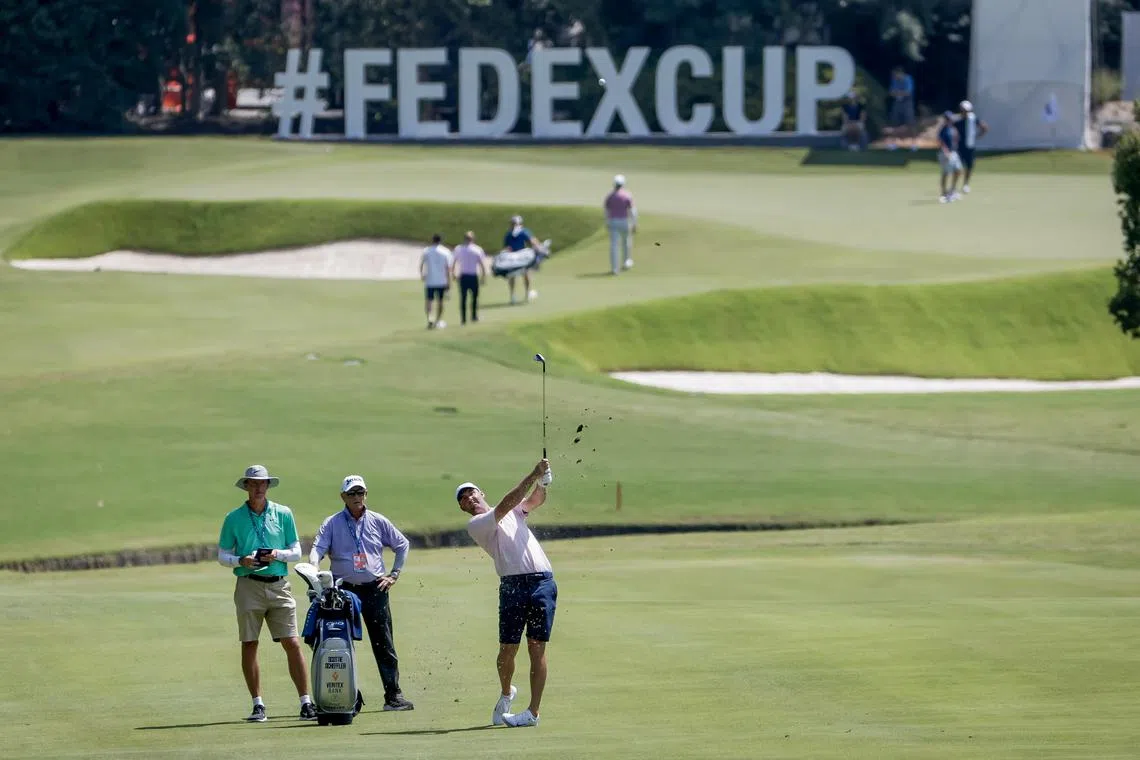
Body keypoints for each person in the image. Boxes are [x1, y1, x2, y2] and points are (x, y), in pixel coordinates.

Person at [455, 457, 556, 728]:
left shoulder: (514, 512)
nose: (469, 499)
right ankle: (506, 692)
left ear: (481, 493)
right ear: (464, 508)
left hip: (542, 582)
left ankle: (532, 713)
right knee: (507, 651)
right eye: (463, 499)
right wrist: (533, 474)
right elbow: (508, 502)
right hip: (512, 586)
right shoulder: (478, 525)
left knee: (537, 647)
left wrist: (544, 482)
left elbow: (533, 501)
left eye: (471, 493)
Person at [217, 464, 316, 722]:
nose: (259, 487)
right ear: (246, 486)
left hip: (279, 584)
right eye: (254, 483)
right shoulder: (233, 518)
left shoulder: (283, 514)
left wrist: (277, 554)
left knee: (292, 642)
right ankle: (258, 704)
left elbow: (295, 551)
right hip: (248, 584)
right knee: (249, 643)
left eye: (263, 483)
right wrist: (241, 561)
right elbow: (222, 555)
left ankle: (306, 702)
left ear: (268, 486)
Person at [308, 474, 416, 711]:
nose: (357, 497)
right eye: (351, 494)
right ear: (343, 497)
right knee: (337, 641)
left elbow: (402, 544)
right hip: (343, 591)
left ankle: (393, 695)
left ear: (366, 495)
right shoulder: (332, 523)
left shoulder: (378, 521)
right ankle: (348, 695)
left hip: (375, 588)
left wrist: (394, 574)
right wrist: (314, 569)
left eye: (360, 493)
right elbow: (317, 549)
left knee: (384, 643)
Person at [501, 215, 544, 305]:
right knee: (514, 276)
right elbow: (506, 247)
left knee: (525, 275)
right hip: (515, 258)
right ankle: (515, 296)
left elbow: (532, 241)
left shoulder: (522, 232)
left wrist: (537, 248)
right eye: (513, 224)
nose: (514, 225)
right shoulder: (511, 234)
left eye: (515, 224)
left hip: (521, 257)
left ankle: (525, 294)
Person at [451, 230, 488, 325]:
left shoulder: (458, 249)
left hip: (463, 276)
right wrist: (483, 277)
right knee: (474, 297)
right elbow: (482, 264)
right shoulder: (477, 249)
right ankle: (474, 316)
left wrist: (453, 274)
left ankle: (463, 319)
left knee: (463, 298)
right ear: (473, 239)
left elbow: (453, 262)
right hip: (472, 275)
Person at [603, 174, 637, 275]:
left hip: (613, 221)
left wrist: (607, 222)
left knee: (614, 245)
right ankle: (626, 262)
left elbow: (606, 211)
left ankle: (614, 269)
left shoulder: (610, 196)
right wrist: (634, 223)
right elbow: (633, 211)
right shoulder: (627, 195)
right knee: (626, 242)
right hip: (624, 221)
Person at [955, 100, 989, 194]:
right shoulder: (957, 120)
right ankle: (955, 186)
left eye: (966, 110)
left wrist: (978, 136)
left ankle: (965, 185)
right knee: (958, 167)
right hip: (959, 147)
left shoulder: (973, 119)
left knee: (969, 166)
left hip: (970, 146)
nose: (964, 112)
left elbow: (984, 127)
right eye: (962, 110)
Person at [420, 233, 453, 329]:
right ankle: (438, 320)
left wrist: (422, 274)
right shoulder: (446, 252)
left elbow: (422, 265)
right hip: (442, 281)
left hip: (430, 280)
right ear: (441, 241)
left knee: (429, 301)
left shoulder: (426, 251)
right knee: (440, 301)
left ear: (432, 240)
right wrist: (449, 282)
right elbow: (448, 269)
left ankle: (430, 318)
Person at [937, 110, 963, 203]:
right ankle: (944, 194)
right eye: (947, 118)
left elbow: (956, 138)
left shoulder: (953, 128)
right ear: (945, 119)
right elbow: (941, 142)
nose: (949, 120)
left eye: (950, 118)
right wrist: (946, 152)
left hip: (954, 153)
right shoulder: (943, 129)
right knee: (946, 173)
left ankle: (952, 191)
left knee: (958, 170)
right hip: (945, 154)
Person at [888, 67, 917, 150]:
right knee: (894, 123)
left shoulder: (908, 79)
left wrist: (897, 93)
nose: (894, 77)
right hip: (897, 102)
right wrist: (899, 93)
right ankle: (893, 143)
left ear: (900, 73)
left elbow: (908, 92)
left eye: (895, 75)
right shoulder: (894, 80)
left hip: (907, 103)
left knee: (910, 123)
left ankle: (914, 144)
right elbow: (891, 92)